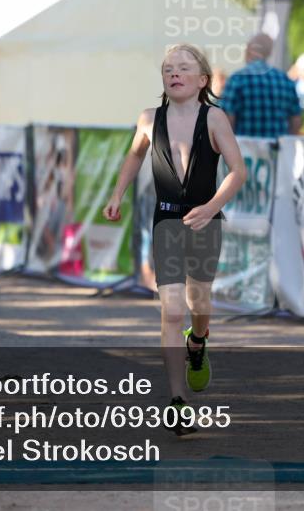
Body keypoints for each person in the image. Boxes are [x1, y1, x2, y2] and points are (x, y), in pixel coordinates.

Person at [103, 44, 246, 435]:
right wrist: (118, 193)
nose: (174, 74)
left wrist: (212, 205)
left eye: (184, 68)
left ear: (203, 80)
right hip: (166, 218)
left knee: (199, 300)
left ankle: (198, 343)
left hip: (205, 219)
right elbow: (135, 155)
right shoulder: (150, 118)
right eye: (168, 69)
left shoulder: (215, 119)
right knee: (171, 309)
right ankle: (178, 400)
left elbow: (238, 171)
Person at [220, 33, 301, 138]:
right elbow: (296, 120)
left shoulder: (237, 78)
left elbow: (227, 120)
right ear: (270, 52)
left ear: (249, 49)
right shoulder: (285, 79)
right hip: (277, 151)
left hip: (244, 151)